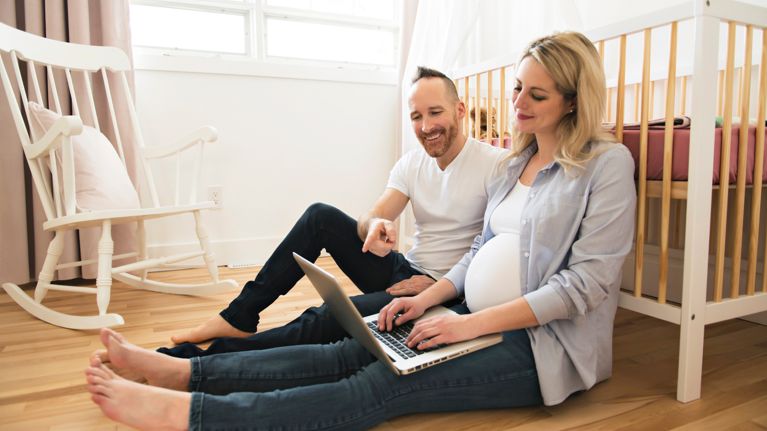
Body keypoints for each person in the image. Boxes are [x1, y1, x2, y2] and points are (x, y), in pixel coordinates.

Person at [86, 31, 637, 430]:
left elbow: (583, 287)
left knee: (377, 384)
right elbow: (480, 248)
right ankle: (184, 372)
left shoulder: (605, 165)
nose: (517, 104)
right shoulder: (516, 164)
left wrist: (464, 323)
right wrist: (434, 302)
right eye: (517, 89)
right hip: (464, 308)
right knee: (347, 349)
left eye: (535, 96)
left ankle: (192, 413)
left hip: (536, 346)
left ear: (572, 101)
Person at [162, 66, 507, 357]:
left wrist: (438, 286)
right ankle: (238, 316)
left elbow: (495, 247)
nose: (426, 126)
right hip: (405, 271)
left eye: (436, 113)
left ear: (460, 111)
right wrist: (374, 226)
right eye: (417, 116)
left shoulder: (495, 165)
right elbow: (371, 216)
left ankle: (203, 358)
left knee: (329, 315)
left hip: (448, 290)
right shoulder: (412, 162)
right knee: (319, 216)